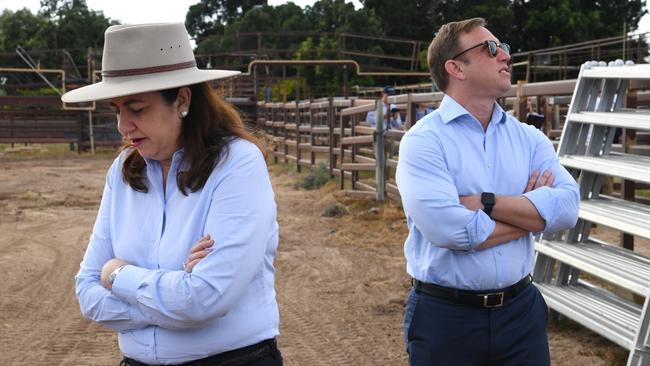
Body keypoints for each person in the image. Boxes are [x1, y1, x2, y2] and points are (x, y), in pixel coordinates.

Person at [63, 23, 283, 366]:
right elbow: (88, 295)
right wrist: (178, 298)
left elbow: (204, 299)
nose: (123, 126)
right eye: (117, 110)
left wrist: (117, 274)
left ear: (182, 99)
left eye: (136, 109)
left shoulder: (237, 164)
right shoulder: (122, 172)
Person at [396, 18, 579, 366]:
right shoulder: (423, 142)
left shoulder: (529, 138)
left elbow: (568, 208)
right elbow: (451, 230)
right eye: (491, 48)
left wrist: (485, 203)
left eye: (504, 47)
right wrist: (534, 217)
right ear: (455, 68)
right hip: (447, 319)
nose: (505, 56)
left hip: (520, 312)